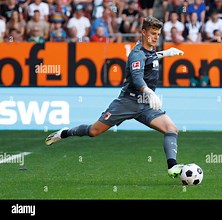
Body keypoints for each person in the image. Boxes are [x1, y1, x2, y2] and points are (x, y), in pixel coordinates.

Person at [45, 16, 185, 178]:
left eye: (158, 34)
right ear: (143, 32)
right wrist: (148, 91)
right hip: (127, 102)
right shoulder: (136, 54)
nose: (155, 37)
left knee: (171, 129)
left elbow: (150, 58)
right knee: (93, 131)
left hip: (145, 104)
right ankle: (65, 132)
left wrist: (164, 53)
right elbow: (137, 76)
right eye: (152, 33)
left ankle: (172, 167)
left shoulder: (150, 50)